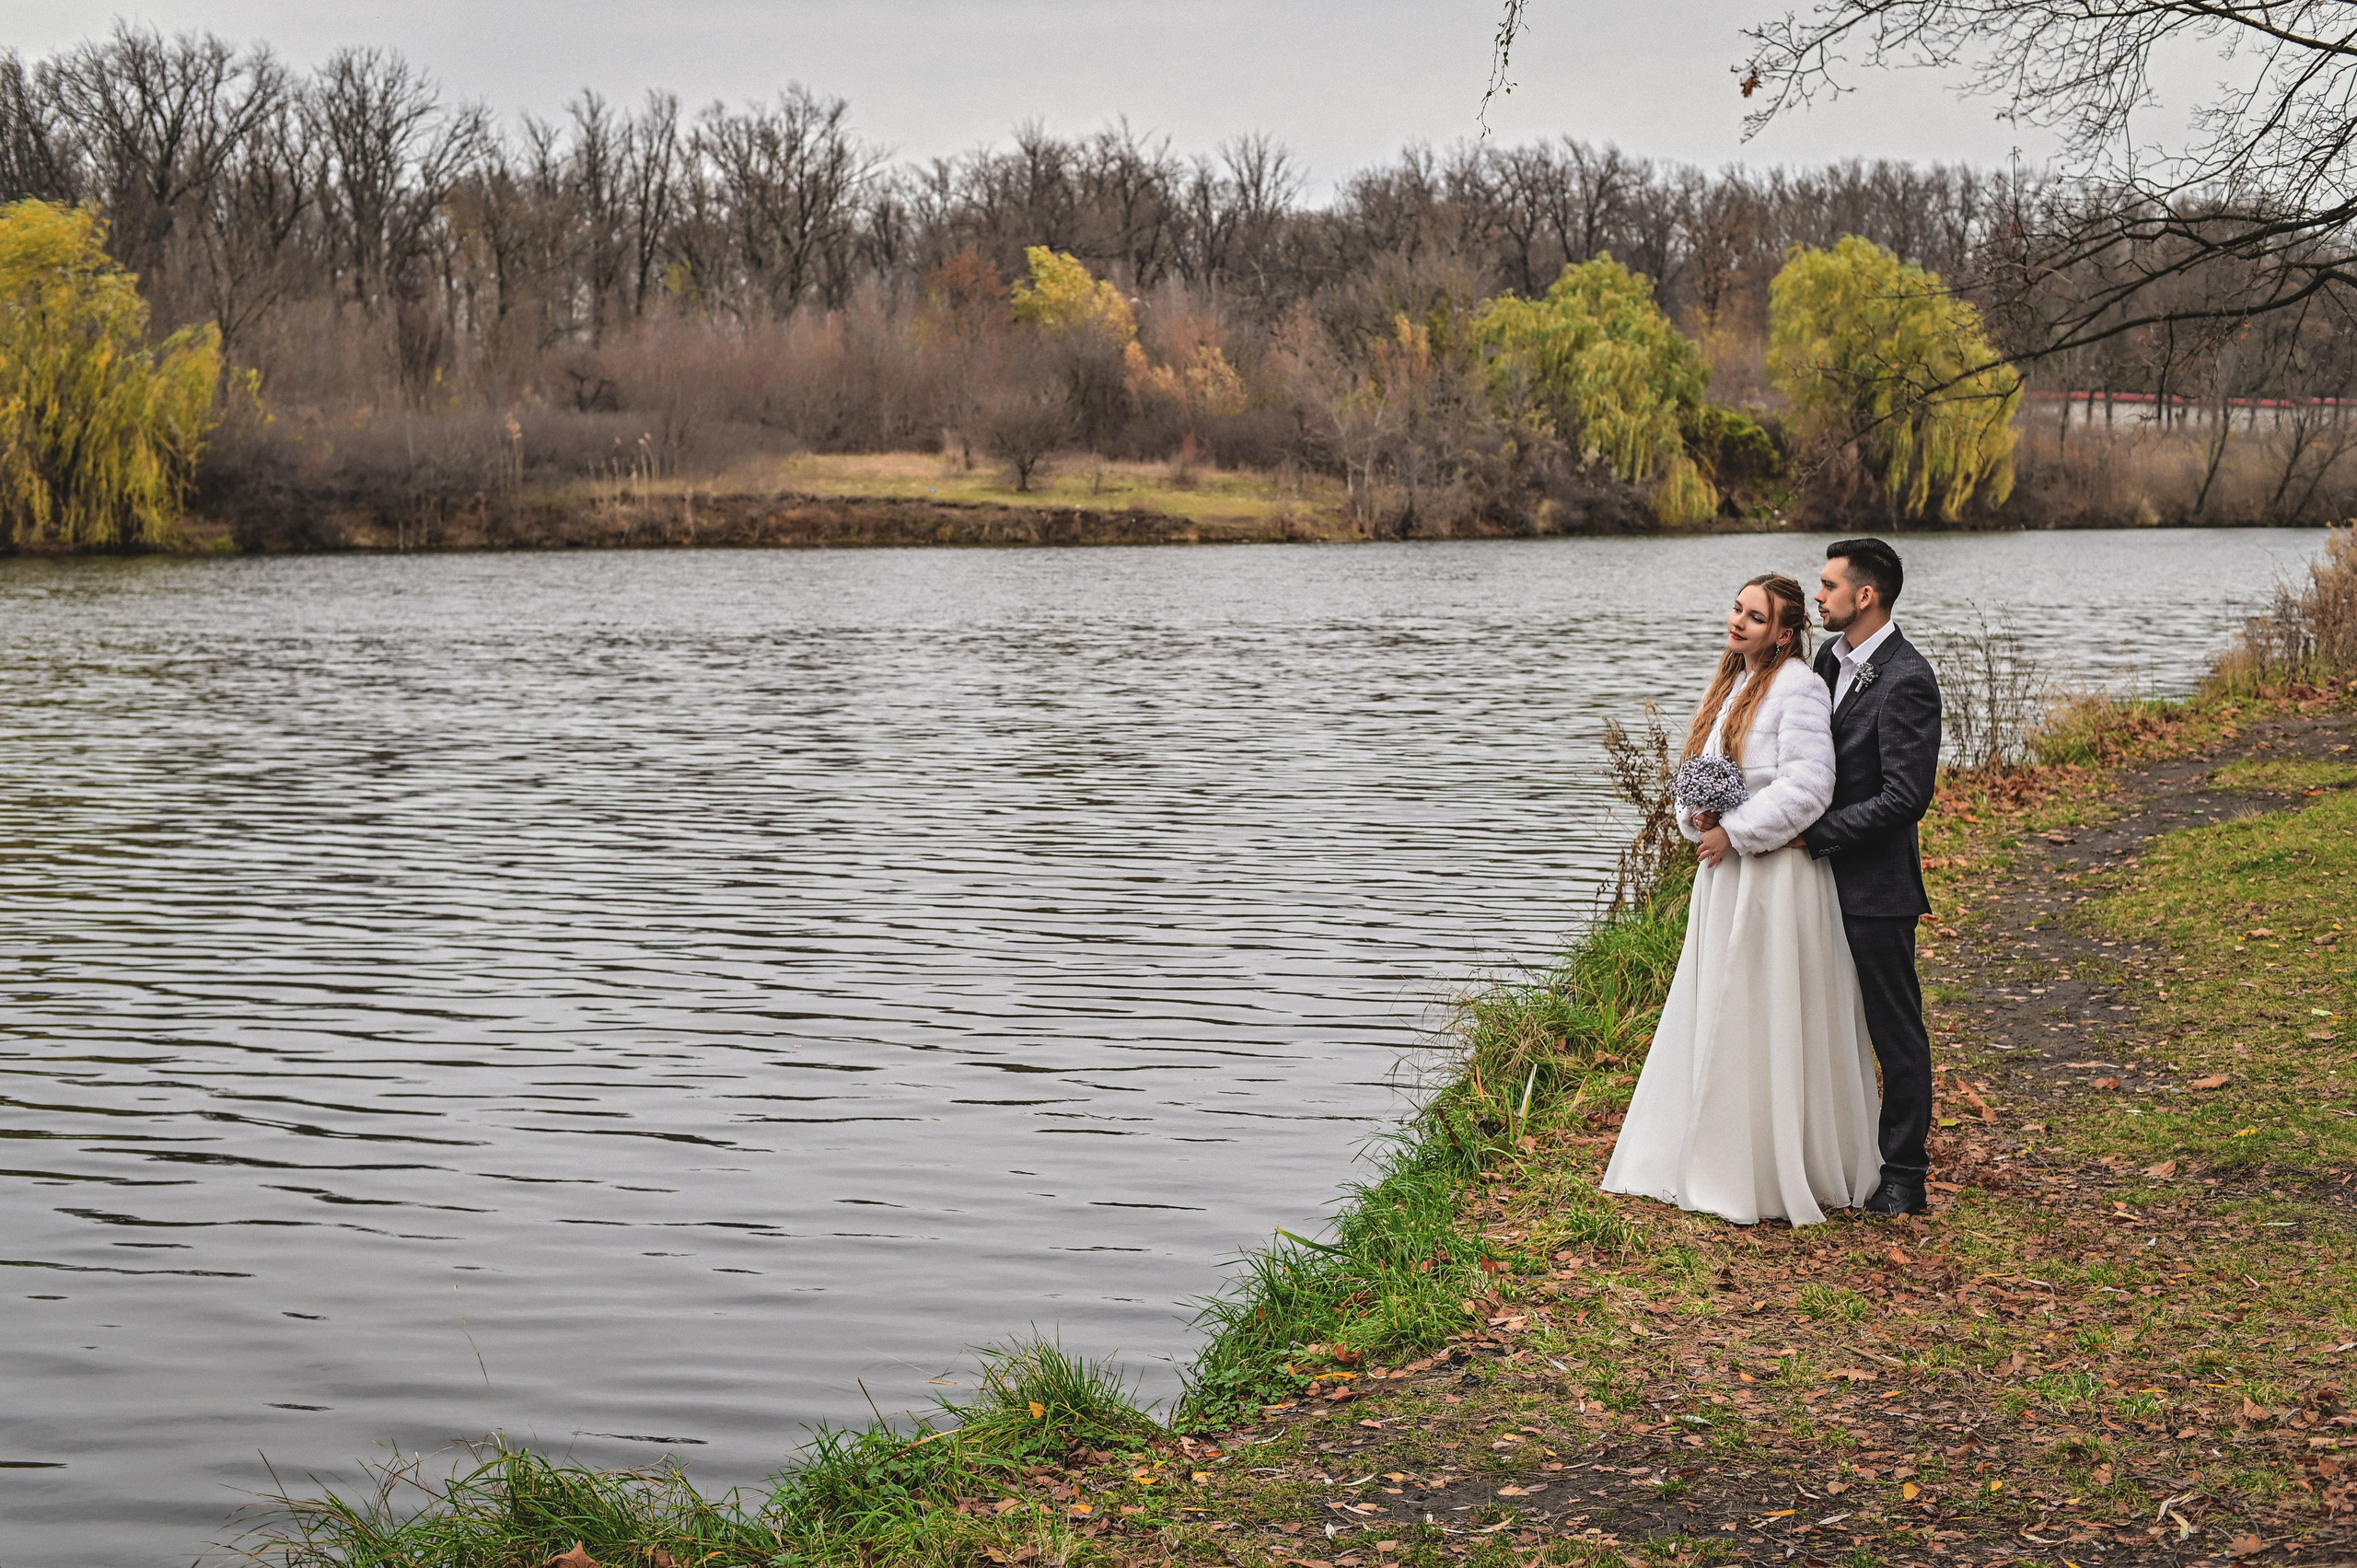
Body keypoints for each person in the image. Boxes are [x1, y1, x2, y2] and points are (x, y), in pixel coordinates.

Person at [1601, 573, 1882, 1226]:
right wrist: (1694, 818)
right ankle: (1704, 1148)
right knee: (1718, 1002)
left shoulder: (1801, 688)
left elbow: (1811, 786)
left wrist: (1740, 831)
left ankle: (1768, 1165)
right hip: (1722, 873)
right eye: (1737, 609)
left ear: (1785, 633)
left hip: (1775, 878)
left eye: (1755, 618)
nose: (1738, 623)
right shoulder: (1726, 687)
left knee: (1766, 1003)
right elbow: (1697, 777)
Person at [1798, 538, 1944, 1217]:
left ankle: (1905, 1175)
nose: (1818, 596)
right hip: (1814, 882)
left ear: (1866, 596)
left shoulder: (1908, 678)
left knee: (1895, 1031)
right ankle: (1831, 1155)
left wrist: (1817, 835)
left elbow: (1905, 796)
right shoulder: (1829, 658)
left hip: (1876, 889)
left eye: (1829, 585)